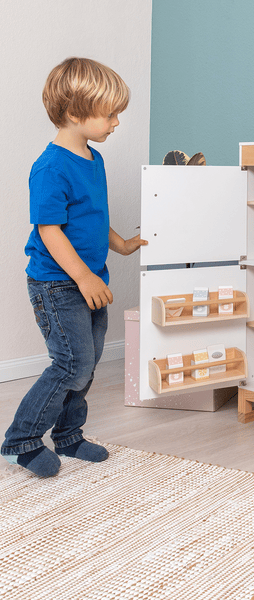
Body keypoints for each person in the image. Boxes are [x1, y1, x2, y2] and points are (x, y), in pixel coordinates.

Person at [1, 57, 147, 477]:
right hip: (58, 284)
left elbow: (91, 217)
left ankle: (68, 435)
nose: (116, 122)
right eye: (110, 114)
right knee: (71, 363)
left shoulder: (92, 159)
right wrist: (82, 277)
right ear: (75, 112)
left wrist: (122, 245)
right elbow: (49, 230)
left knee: (88, 362)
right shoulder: (51, 167)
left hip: (89, 280)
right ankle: (20, 440)